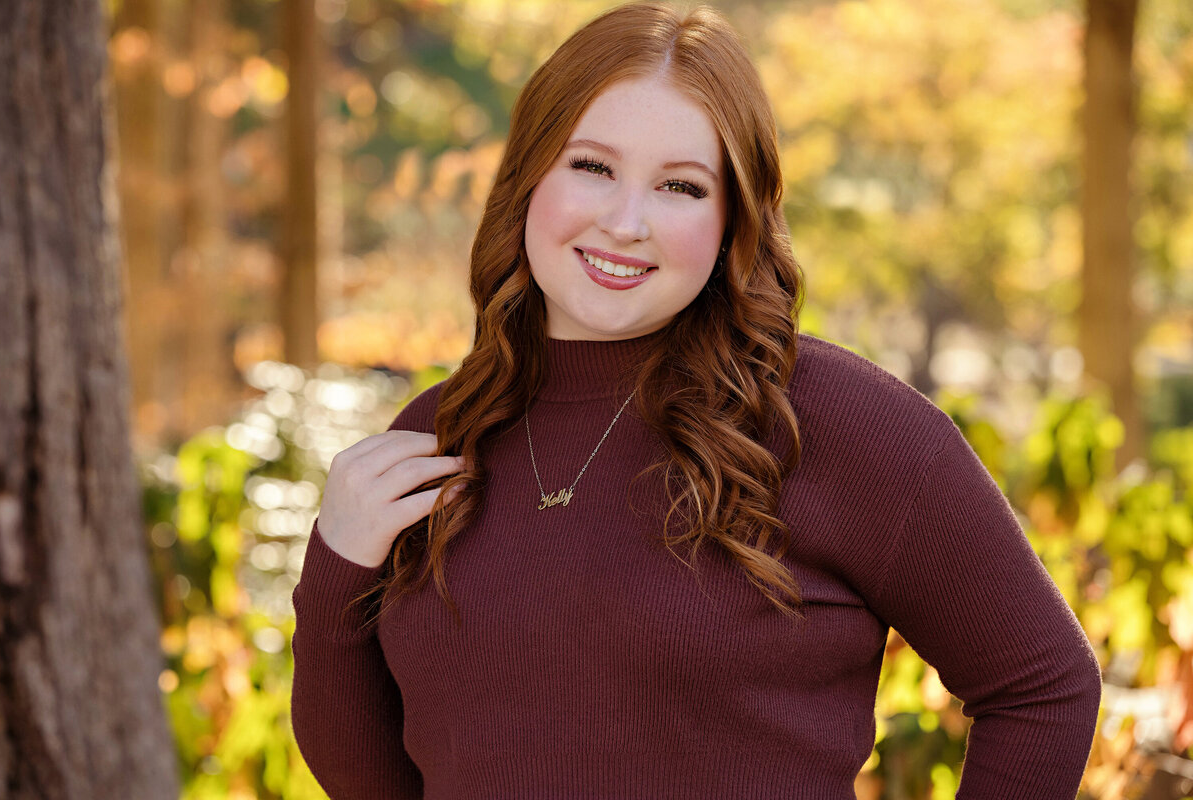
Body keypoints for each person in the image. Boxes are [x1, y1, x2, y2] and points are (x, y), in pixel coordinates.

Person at [290, 3, 1102, 797]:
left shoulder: (840, 424)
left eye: (680, 186)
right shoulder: (437, 435)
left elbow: (1042, 687)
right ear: (528, 175)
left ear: (732, 219)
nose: (626, 221)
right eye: (592, 166)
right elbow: (375, 782)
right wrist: (335, 573)